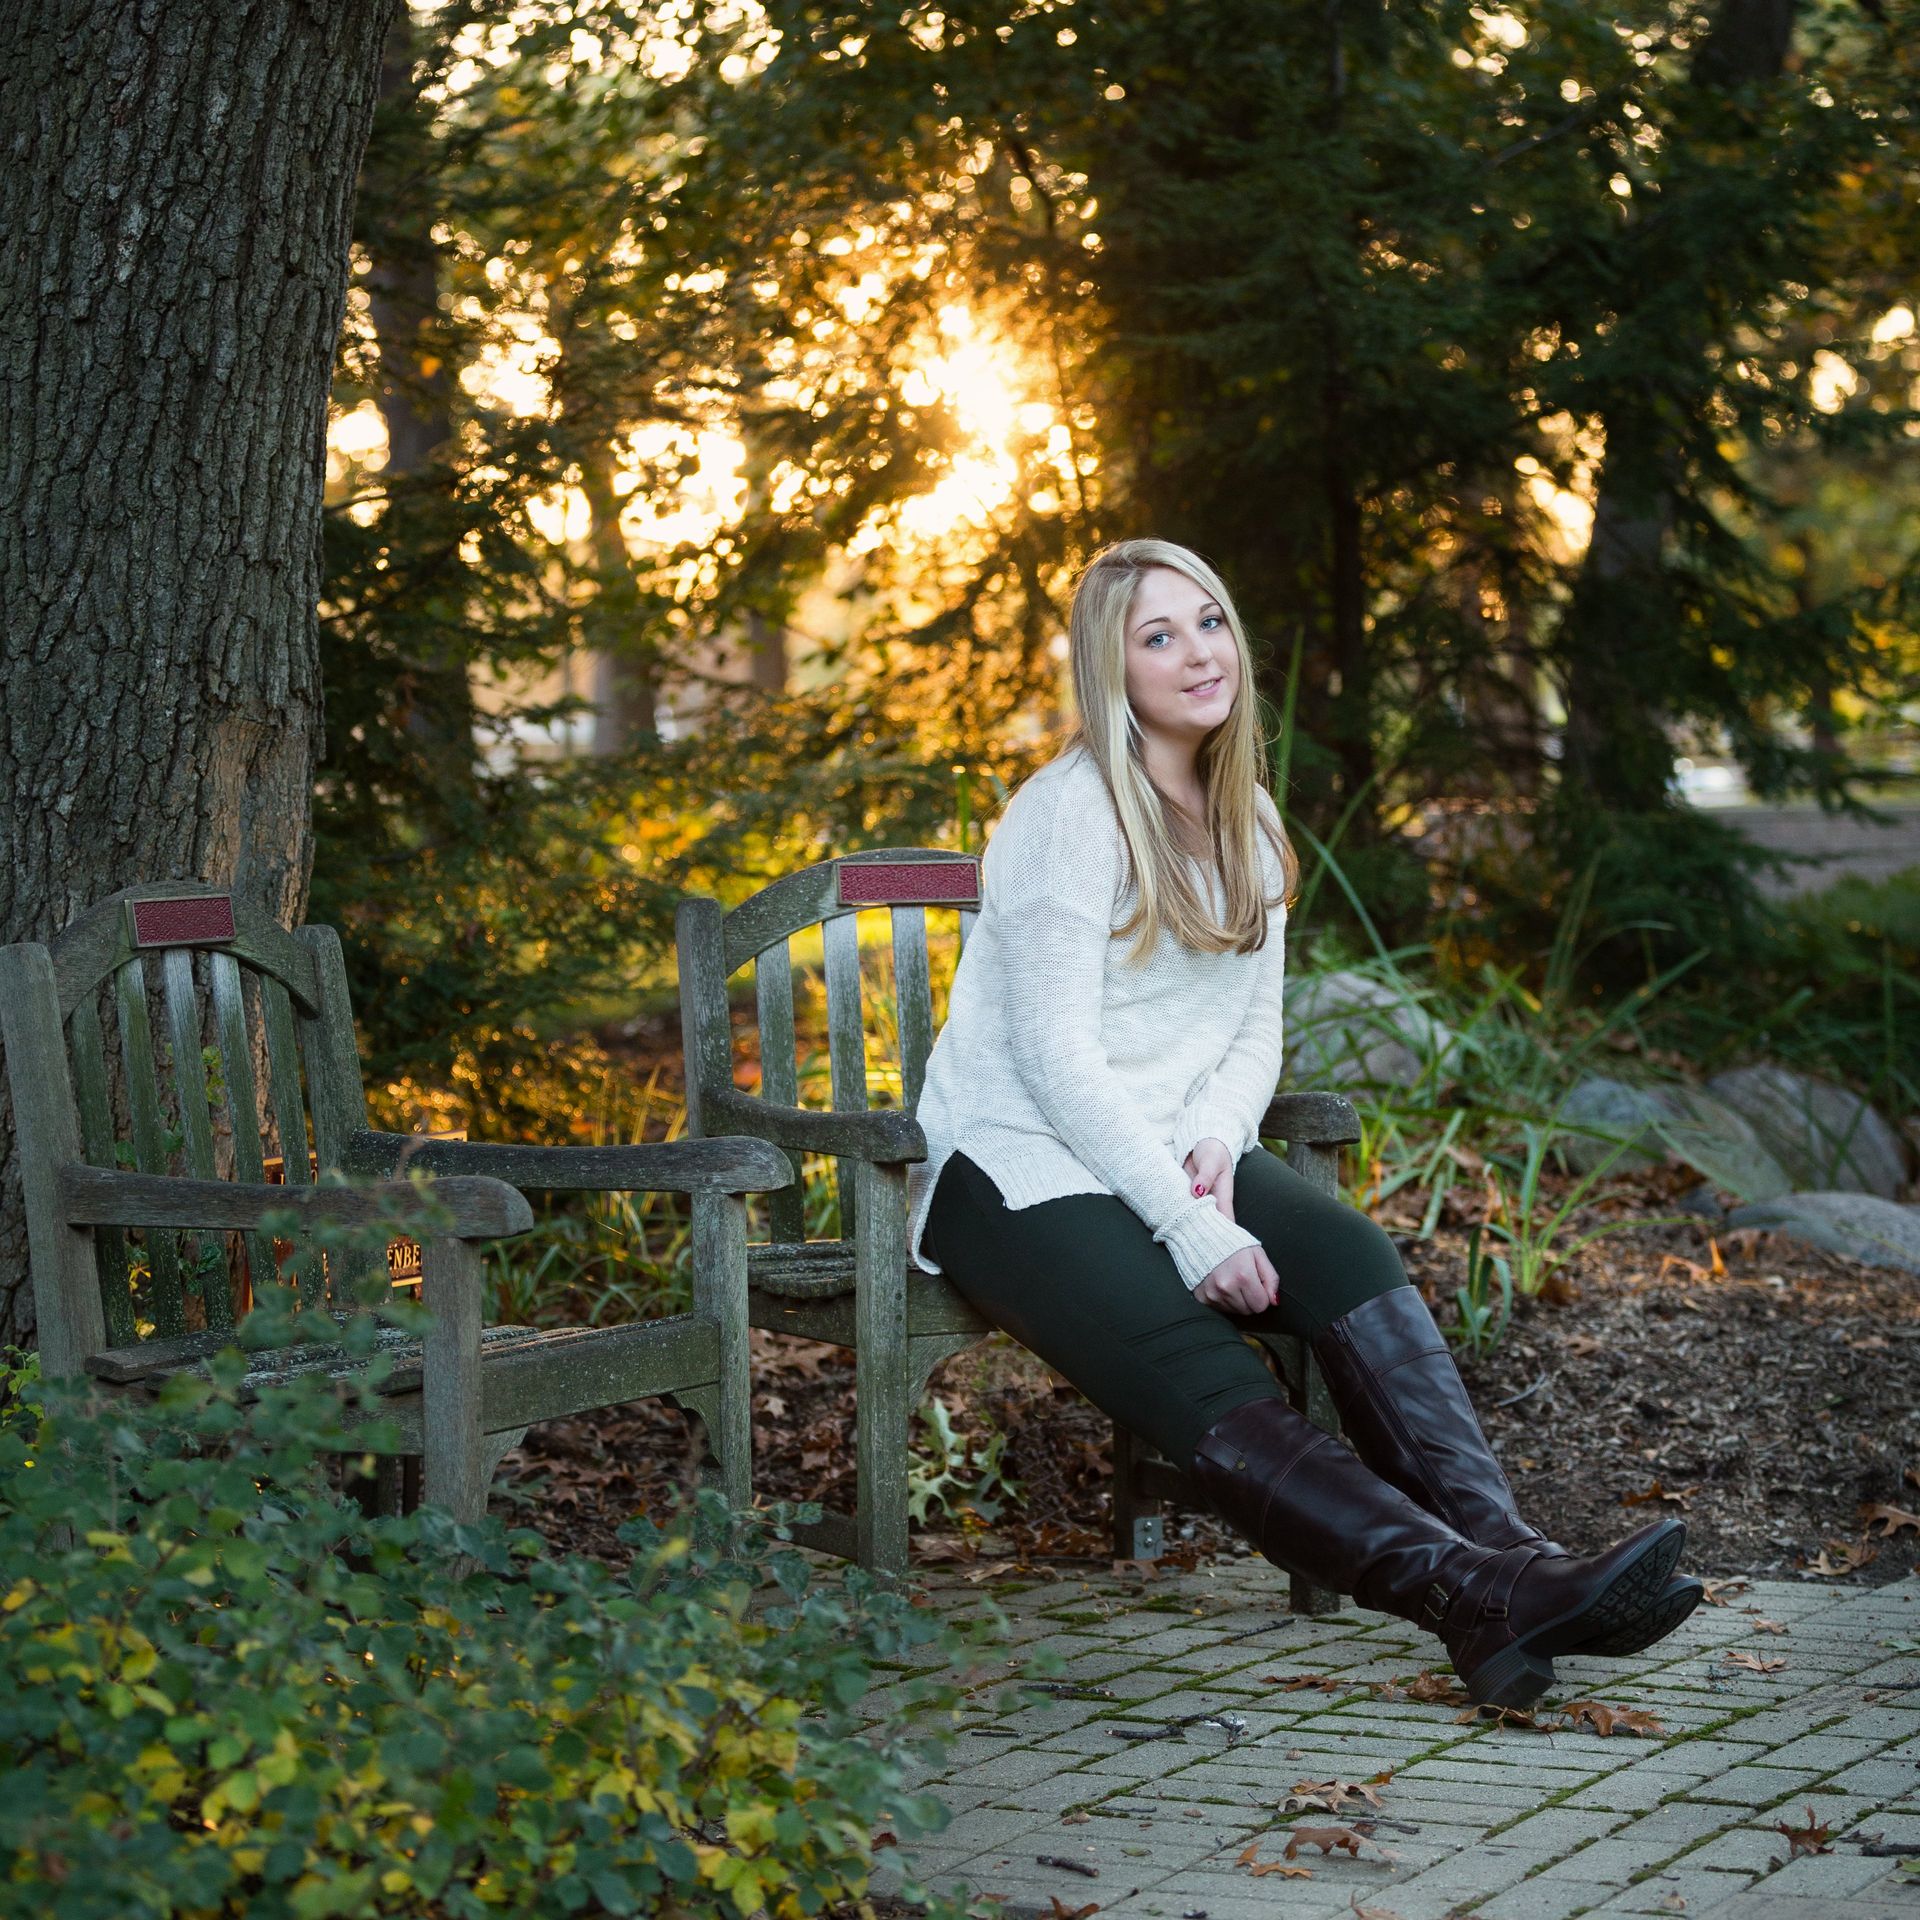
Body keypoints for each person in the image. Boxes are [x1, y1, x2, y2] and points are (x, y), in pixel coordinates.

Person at [905, 538, 1703, 1710]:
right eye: (1157, 636)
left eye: (1210, 622)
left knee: (1348, 1256)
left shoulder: (1247, 812)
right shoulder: (1066, 815)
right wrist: (1189, 1227)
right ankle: (1468, 1597)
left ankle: (1518, 1567)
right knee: (1197, 1359)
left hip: (1165, 1139)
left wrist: (1222, 1143)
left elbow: (1252, 1029)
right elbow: (1053, 1059)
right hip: (1017, 1162)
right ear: (1109, 670)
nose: (1197, 653)